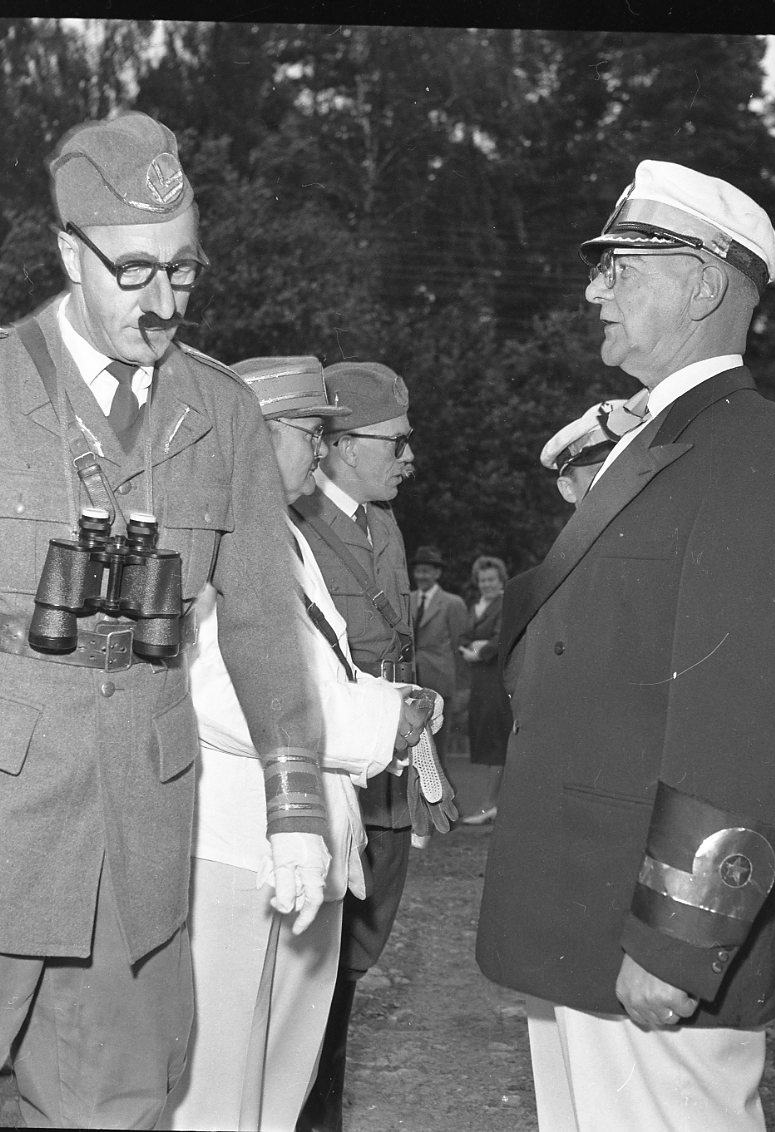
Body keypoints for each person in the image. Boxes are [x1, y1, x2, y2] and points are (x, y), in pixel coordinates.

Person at [0, 112, 326, 1127]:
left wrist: (295, 806)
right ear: (69, 253)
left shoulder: (224, 415)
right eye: (133, 271)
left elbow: (262, 621)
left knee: (115, 1106)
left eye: (183, 271)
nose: (162, 303)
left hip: (135, 833)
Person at [476, 159, 775, 1131]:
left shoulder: (754, 446)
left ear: (705, 283)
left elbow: (754, 721)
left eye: (621, 267)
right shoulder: (660, 441)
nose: (595, 291)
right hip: (585, 916)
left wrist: (680, 941)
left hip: (646, 940)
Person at [160, 356, 437, 1132]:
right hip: (237, 848)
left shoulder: (278, 532)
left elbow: (318, 667)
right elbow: (215, 690)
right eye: (311, 430)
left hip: (293, 842)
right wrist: (375, 726)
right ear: (257, 433)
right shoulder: (209, 528)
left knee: (278, 1083)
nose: (323, 448)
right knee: (216, 1088)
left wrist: (387, 705)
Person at [291, 361, 418, 1132]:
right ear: (338, 445)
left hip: (388, 780)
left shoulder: (384, 526)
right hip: (331, 776)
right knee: (315, 976)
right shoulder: (295, 529)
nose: (410, 458)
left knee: (353, 967)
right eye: (395, 442)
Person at [458, 555, 514, 824]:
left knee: (496, 740)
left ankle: (489, 806)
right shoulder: (476, 606)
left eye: (492, 579)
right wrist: (473, 648)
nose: (487, 584)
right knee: (487, 737)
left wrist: (480, 651)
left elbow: (500, 639)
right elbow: (463, 638)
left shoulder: (504, 605)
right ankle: (492, 805)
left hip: (495, 678)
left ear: (501, 580)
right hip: (479, 680)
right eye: (482, 580)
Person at [409, 545, 468, 754]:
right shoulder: (407, 599)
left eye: (426, 571)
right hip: (412, 679)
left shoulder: (453, 603)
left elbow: (459, 645)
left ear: (437, 573)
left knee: (437, 743)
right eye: (418, 571)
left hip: (439, 679)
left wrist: (456, 682)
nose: (421, 576)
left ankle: (440, 776)